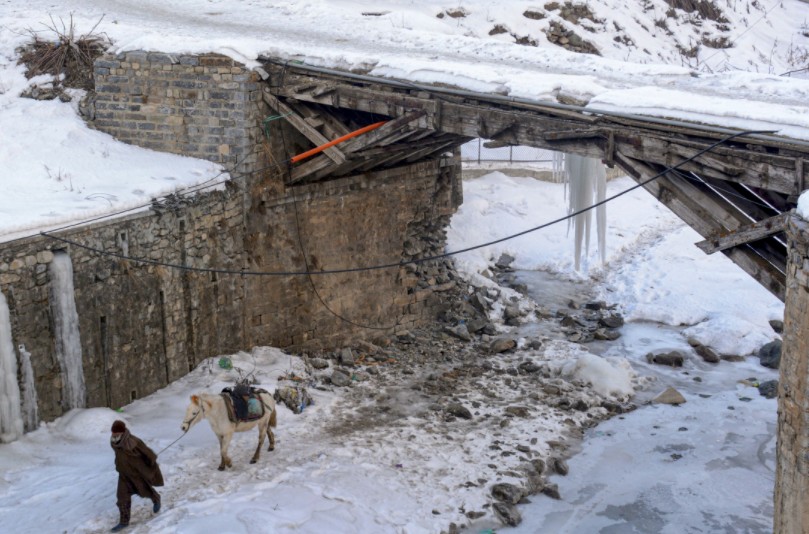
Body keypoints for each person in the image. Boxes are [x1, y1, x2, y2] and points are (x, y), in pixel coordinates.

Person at [109, 420, 164, 532]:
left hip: (136, 474)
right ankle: (124, 522)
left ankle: (156, 498)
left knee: (145, 491)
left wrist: (150, 463)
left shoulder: (133, 442)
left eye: (116, 433)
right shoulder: (114, 442)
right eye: (113, 433)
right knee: (122, 498)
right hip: (123, 475)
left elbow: (148, 453)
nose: (114, 435)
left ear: (122, 432)